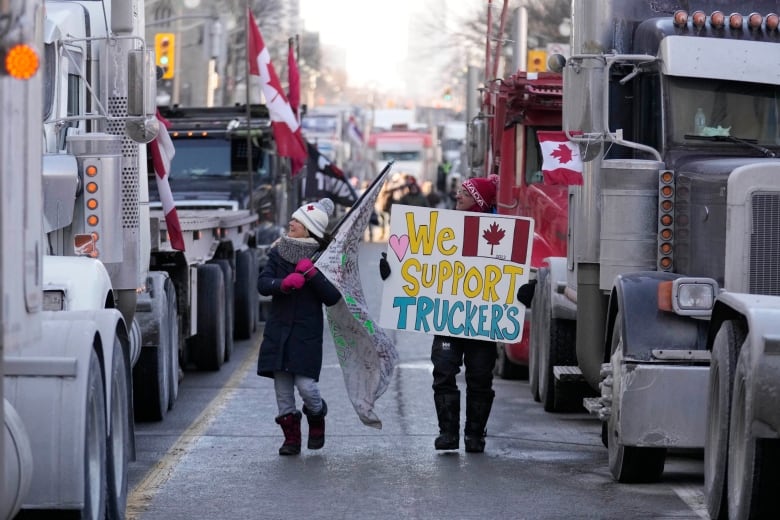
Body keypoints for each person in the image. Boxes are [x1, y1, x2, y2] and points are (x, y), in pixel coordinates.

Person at [379, 174, 500, 453]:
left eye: (465, 194)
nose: (457, 197)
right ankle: (447, 433)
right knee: (444, 371)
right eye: (458, 192)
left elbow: (512, 276)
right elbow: (419, 266)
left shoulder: (501, 233)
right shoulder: (440, 229)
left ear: (479, 201)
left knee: (480, 377)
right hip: (447, 320)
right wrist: (392, 272)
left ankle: (474, 435)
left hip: (482, 320)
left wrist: (522, 293)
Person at [257, 198, 342, 456]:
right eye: (293, 219)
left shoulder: (324, 259)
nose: (291, 223)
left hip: (305, 334)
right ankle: (291, 439)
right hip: (278, 332)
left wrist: (313, 275)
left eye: (297, 221)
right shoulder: (278, 251)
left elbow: (333, 297)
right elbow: (262, 284)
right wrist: (281, 284)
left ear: (309, 229)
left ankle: (316, 415)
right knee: (283, 392)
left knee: (306, 387)